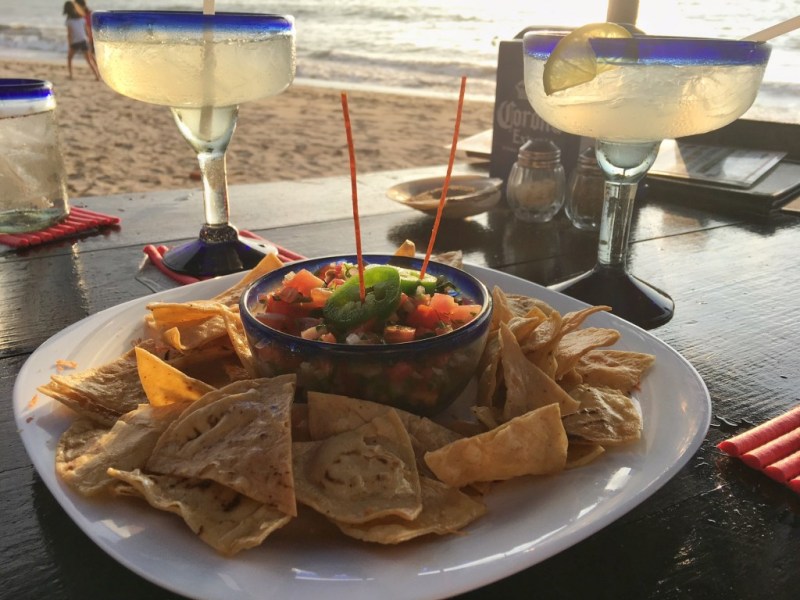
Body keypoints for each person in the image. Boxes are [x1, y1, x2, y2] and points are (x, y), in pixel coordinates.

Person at [63, 1, 100, 80]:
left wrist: (70, 44)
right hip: (84, 40)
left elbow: (69, 34)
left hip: (75, 42)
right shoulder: (81, 18)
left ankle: (71, 75)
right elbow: (87, 30)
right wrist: (89, 39)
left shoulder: (68, 21)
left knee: (69, 58)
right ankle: (97, 75)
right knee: (89, 60)